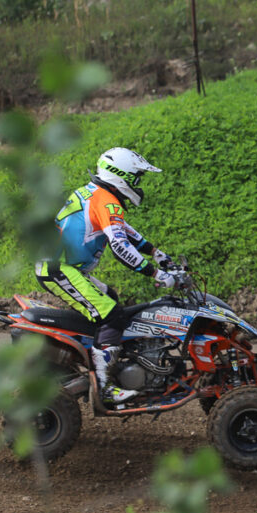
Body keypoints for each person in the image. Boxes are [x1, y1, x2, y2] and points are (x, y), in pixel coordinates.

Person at [36, 147, 177, 404]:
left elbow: (123, 229)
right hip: (58, 269)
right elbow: (120, 246)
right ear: (121, 176)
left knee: (109, 298)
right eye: (136, 178)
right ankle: (104, 388)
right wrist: (156, 273)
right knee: (113, 316)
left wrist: (156, 253)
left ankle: (99, 359)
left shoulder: (96, 193)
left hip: (64, 266)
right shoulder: (107, 200)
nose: (138, 185)